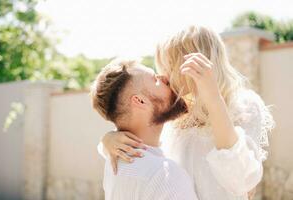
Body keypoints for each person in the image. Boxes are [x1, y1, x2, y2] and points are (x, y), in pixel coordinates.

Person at [99, 25, 275, 200]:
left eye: (168, 68)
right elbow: (144, 143)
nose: (164, 77)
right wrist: (109, 139)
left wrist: (213, 99)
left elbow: (242, 182)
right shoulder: (176, 111)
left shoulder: (242, 106)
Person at [90, 59, 199, 200]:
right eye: (155, 79)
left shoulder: (115, 161)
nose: (165, 78)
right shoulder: (166, 175)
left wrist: (107, 138)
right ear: (140, 101)